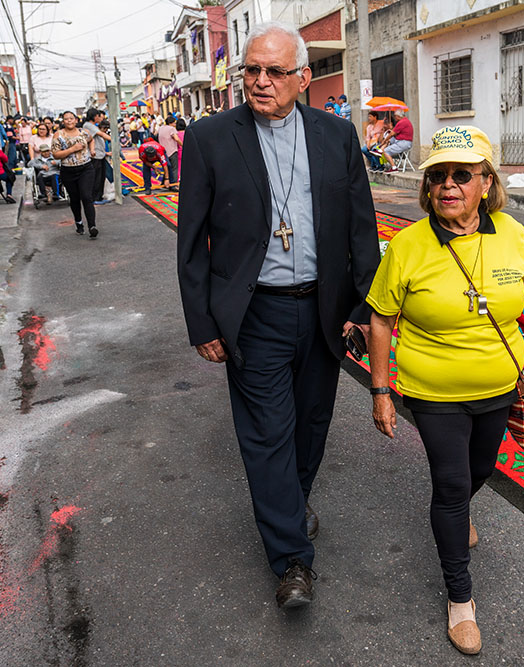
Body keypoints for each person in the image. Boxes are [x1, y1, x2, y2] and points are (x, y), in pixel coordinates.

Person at [177, 21, 380, 609]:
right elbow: (191, 242)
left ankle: (291, 500)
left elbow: (362, 230)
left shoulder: (337, 137)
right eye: (251, 70)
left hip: (323, 309)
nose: (260, 82)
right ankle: (291, 559)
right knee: (267, 434)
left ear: (303, 77)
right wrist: (203, 324)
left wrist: (364, 307)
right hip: (254, 313)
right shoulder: (211, 137)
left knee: (312, 425)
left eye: (274, 71)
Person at [366, 126, 524, 655]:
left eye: (461, 175)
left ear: (486, 183)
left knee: (480, 470)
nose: (448, 186)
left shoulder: (510, 233)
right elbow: (379, 320)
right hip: (431, 390)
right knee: (450, 482)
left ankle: (460, 510)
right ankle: (459, 598)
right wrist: (380, 389)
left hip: (499, 384)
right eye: (438, 176)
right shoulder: (408, 246)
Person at [51, 111, 98, 238]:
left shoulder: (84, 132)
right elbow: (55, 154)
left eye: (71, 118)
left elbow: (91, 140)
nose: (69, 121)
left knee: (86, 196)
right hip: (68, 170)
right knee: (75, 198)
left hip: (86, 169)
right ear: (63, 121)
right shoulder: (58, 135)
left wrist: (92, 150)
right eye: (66, 119)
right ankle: (79, 223)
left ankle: (92, 226)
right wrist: (72, 149)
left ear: (76, 120)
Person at [82, 109, 112, 204]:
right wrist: (114, 139)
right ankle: (95, 198)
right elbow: (101, 134)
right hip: (94, 156)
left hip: (100, 155)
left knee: (101, 176)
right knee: (96, 178)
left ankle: (99, 197)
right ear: (95, 116)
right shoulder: (88, 125)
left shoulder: (93, 126)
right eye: (99, 116)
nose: (101, 119)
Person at [156, 114, 182, 186]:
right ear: (171, 123)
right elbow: (176, 138)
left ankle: (164, 183)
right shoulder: (171, 129)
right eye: (174, 123)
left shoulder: (161, 128)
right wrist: (182, 145)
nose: (175, 124)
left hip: (163, 151)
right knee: (174, 168)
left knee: (166, 167)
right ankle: (173, 184)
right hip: (172, 150)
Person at [175, 118, 186, 182]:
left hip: (179, 151)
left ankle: (179, 178)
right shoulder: (187, 132)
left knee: (179, 166)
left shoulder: (176, 134)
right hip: (186, 151)